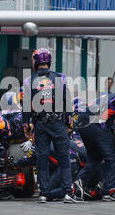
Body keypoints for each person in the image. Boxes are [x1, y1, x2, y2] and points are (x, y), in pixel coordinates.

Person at [22, 48, 82, 204]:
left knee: (42, 158)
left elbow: (26, 107)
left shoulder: (29, 81)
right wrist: (70, 123)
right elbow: (67, 102)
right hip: (58, 124)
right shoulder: (60, 78)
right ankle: (68, 193)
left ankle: (43, 193)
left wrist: (26, 127)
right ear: (49, 61)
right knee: (64, 158)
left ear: (36, 61)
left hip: (40, 124)